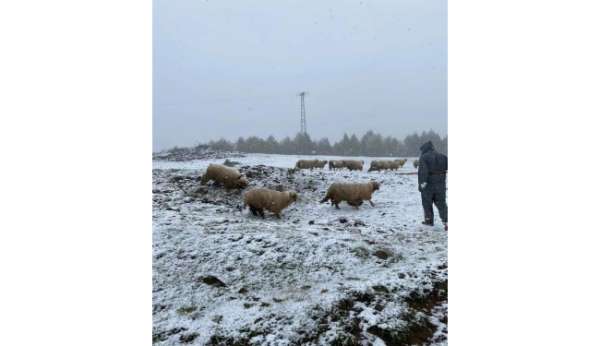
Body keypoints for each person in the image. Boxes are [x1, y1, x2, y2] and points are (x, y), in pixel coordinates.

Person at [417, 141, 448, 230]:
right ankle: (447, 221)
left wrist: (422, 184)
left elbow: (423, 172)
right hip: (441, 184)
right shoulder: (443, 156)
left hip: (428, 185)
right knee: (442, 203)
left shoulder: (424, 157)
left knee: (427, 203)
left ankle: (429, 221)